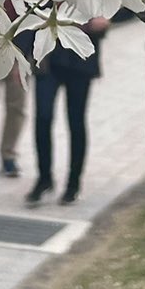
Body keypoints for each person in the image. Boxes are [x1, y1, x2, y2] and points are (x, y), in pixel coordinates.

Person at [25, 13, 110, 208]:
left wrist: (105, 22)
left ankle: (73, 182)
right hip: (49, 56)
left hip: (81, 57)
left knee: (76, 121)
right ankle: (44, 177)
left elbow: (114, 10)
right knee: (43, 117)